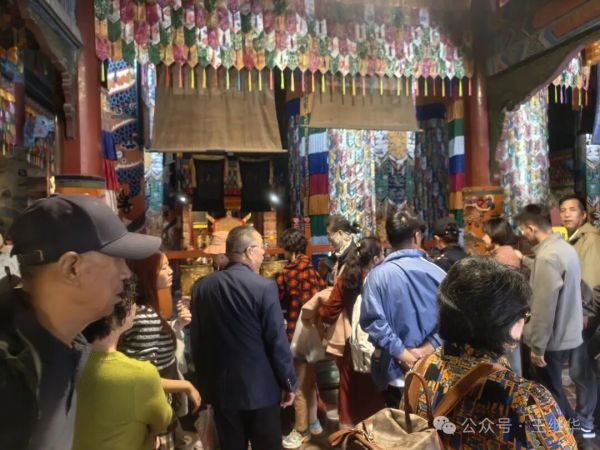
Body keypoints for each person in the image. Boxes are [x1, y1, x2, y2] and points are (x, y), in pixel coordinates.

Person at [0, 194, 161, 449]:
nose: (126, 272)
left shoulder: (66, 345)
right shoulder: (11, 373)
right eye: (116, 258)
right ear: (71, 267)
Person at [407, 257, 576, 448]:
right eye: (524, 315)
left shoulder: (419, 370)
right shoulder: (526, 400)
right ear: (503, 323)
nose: (524, 321)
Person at [191, 225, 297, 450]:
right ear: (249, 251)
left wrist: (206, 388)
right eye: (261, 247)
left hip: (222, 391)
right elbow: (277, 342)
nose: (264, 253)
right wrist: (288, 383)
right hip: (261, 390)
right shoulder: (264, 287)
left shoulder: (201, 287)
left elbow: (197, 342)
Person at [516, 204, 596, 442]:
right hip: (568, 333)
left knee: (550, 393)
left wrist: (537, 346)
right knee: (554, 389)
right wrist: (526, 261)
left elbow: (543, 307)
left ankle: (573, 437)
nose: (523, 235)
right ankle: (575, 433)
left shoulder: (547, 256)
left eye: (523, 230)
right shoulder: (563, 248)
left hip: (552, 339)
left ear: (531, 228)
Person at [360, 208, 446, 406]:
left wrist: (403, 353)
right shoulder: (438, 273)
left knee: (399, 422)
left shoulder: (376, 276)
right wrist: (426, 348)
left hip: (394, 370)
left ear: (388, 239)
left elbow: (373, 321)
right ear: (416, 236)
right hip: (434, 368)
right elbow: (452, 319)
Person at [119, 252, 200, 450]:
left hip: (156, 403)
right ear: (147, 274)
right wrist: (186, 385)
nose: (171, 271)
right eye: (163, 267)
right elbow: (143, 376)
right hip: (153, 406)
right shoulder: (143, 315)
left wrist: (177, 325)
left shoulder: (143, 309)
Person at [73, 290, 173, 450]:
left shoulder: (67, 362)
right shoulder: (141, 374)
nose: (135, 306)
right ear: (117, 316)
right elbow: (162, 420)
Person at [319, 237, 385, 428]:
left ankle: (350, 436)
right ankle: (375, 435)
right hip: (381, 345)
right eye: (382, 254)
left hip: (354, 346)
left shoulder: (346, 279)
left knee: (350, 396)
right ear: (374, 258)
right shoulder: (382, 279)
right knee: (376, 396)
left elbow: (328, 313)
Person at [276, 228, 326, 449]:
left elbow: (278, 300)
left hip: (295, 334)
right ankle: (314, 423)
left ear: (289, 250)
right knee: (310, 382)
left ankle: (300, 429)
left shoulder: (287, 273)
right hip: (314, 335)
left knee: (295, 385)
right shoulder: (314, 272)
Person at [559, 195, 600, 291]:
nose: (567, 215)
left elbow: (591, 286)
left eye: (572, 210)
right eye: (563, 210)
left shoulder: (591, 240)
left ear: (583, 215)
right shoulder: (571, 240)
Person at [325, 215, 360, 284]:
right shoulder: (336, 257)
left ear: (340, 233)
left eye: (329, 234)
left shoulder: (354, 257)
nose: (328, 238)